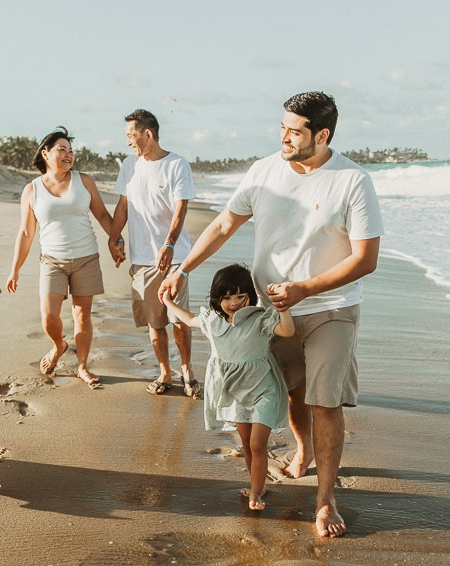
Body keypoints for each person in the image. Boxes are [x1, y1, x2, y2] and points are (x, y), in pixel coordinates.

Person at [159, 92, 382, 537]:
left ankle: (325, 501)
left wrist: (304, 289)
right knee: (293, 393)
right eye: (282, 126)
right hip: (271, 313)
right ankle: (304, 451)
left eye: (294, 130)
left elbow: (365, 259)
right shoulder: (264, 172)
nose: (283, 136)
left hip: (329, 309)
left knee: (324, 401)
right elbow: (225, 223)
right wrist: (182, 269)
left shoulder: (353, 181)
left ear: (321, 135)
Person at [162, 264, 294, 511]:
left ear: (250, 296)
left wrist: (283, 309)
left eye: (240, 297)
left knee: (257, 444)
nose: (233, 303)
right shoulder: (214, 322)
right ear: (217, 299)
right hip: (235, 393)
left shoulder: (259, 319)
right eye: (226, 298)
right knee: (245, 444)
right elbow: (190, 319)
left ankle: (256, 492)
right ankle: (258, 482)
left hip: (263, 389)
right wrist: (168, 303)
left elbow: (287, 331)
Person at [6, 127, 117, 388]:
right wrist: (15, 269)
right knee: (48, 316)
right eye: (62, 150)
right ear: (45, 154)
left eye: (71, 150)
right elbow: (25, 232)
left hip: (86, 257)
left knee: (82, 314)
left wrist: (116, 240)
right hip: (52, 260)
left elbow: (102, 215)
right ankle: (58, 345)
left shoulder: (84, 181)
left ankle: (81, 366)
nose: (69, 155)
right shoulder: (32, 189)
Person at [108, 109, 199, 397]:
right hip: (142, 259)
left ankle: (187, 370)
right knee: (154, 321)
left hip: (175, 257)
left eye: (130, 135)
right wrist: (114, 237)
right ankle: (164, 372)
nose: (127, 142)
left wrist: (170, 244)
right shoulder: (128, 165)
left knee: (178, 319)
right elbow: (123, 206)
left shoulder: (177, 165)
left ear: (147, 133)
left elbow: (180, 209)